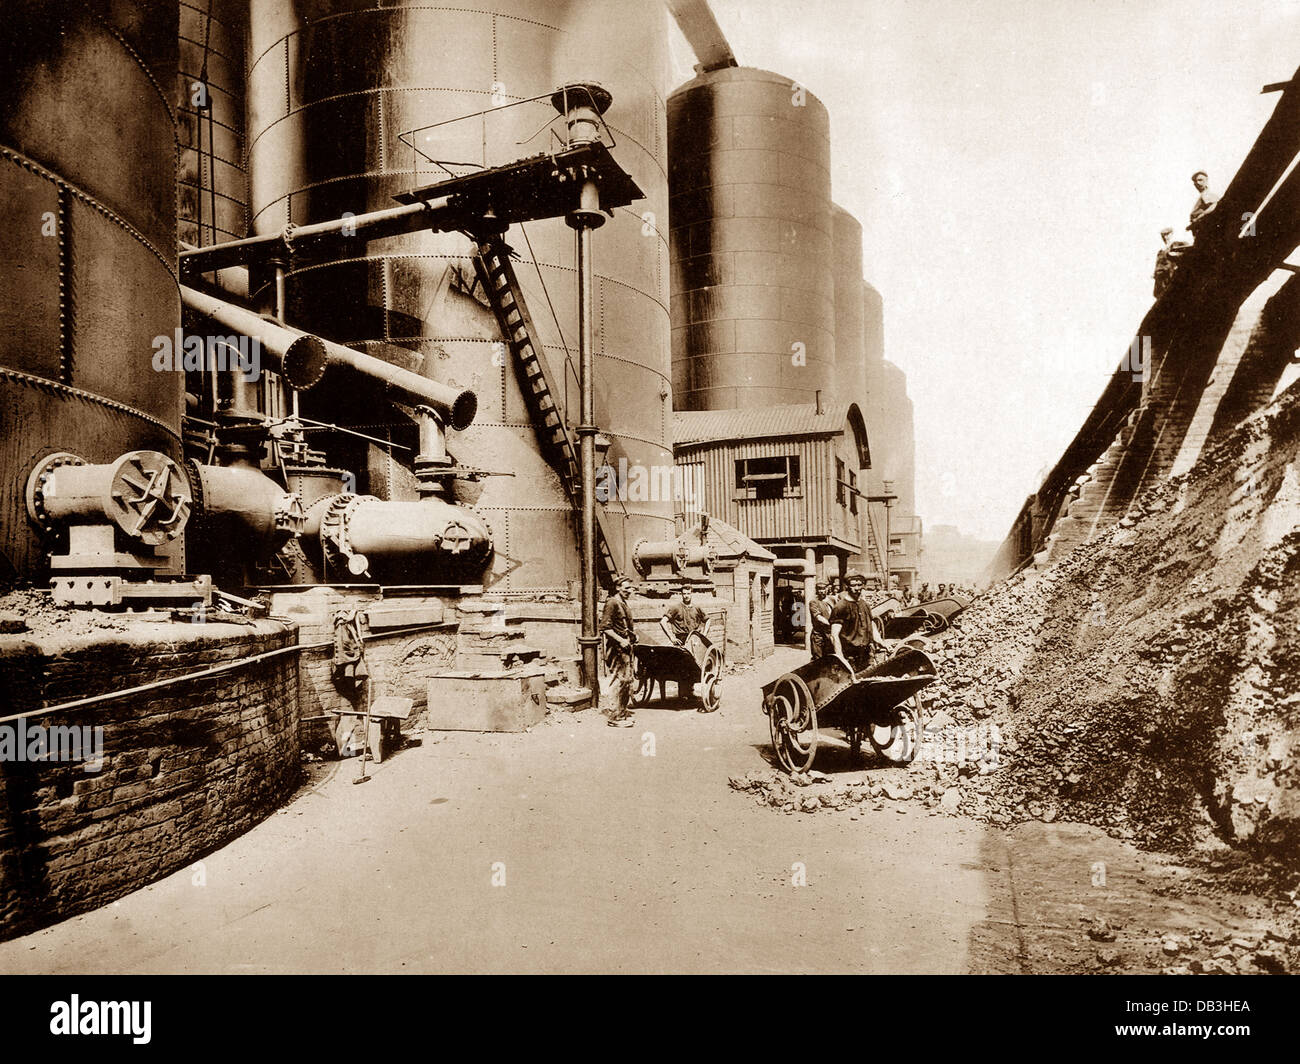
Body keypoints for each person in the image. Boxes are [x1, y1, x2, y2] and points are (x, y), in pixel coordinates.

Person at [600, 576, 638, 727]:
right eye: (626, 588)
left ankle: (621, 713)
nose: (629, 591)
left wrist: (632, 636)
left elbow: (624, 626)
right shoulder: (612, 603)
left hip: (626, 648)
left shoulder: (623, 603)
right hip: (616, 649)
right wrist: (621, 640)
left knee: (627, 680)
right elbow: (605, 628)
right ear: (617, 588)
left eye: (630, 588)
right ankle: (614, 717)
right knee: (620, 680)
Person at [829, 573, 883, 672]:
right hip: (849, 656)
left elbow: (871, 625)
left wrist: (881, 642)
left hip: (866, 654)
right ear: (847, 586)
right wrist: (840, 658)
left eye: (859, 585)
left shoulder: (865, 604)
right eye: (854, 585)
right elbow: (834, 635)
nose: (857, 588)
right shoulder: (841, 607)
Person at [807, 580, 833, 659]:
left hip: (830, 634)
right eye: (819, 589)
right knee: (818, 658)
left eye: (823, 588)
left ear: (827, 589)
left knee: (830, 657)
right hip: (819, 635)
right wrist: (831, 624)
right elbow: (818, 617)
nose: (821, 591)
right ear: (817, 590)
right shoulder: (814, 602)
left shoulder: (832, 600)